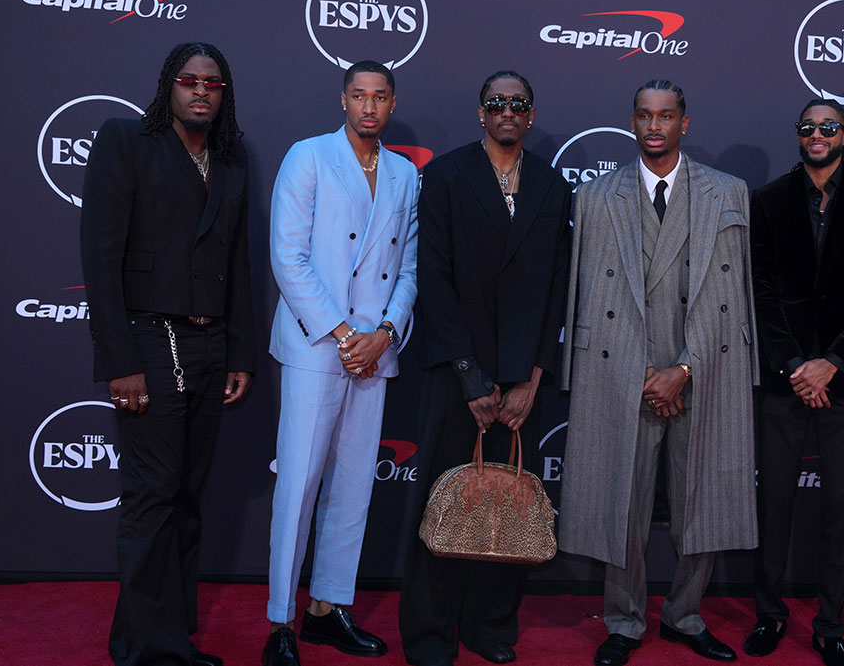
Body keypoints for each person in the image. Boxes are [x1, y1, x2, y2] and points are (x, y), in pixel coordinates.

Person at [559, 79, 758, 666]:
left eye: (665, 116)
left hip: (704, 367)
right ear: (632, 122)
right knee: (622, 499)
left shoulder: (728, 193)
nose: (654, 126)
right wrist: (645, 372)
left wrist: (686, 368)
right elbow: (587, 297)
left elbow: (738, 295)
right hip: (624, 371)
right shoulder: (596, 196)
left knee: (705, 496)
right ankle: (623, 620)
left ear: (684, 123)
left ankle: (685, 614)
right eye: (644, 116)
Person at [80, 41, 254, 666]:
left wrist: (240, 350)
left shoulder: (231, 159)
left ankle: (161, 633)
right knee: (153, 493)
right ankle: (148, 649)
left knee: (185, 493)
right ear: (169, 86)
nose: (201, 90)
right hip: (150, 339)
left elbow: (239, 262)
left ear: (223, 93)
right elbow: (100, 259)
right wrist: (119, 360)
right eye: (189, 80)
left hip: (211, 343)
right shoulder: (126, 140)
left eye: (213, 82)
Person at [397, 70, 572, 666]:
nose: (507, 111)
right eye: (496, 102)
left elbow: (557, 288)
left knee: (511, 507)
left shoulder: (552, 183)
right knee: (446, 503)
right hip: (455, 374)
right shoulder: (444, 175)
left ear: (530, 113)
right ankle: (430, 634)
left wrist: (533, 376)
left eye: (518, 103)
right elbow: (434, 279)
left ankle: (491, 626)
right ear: (481, 113)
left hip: (524, 378)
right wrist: (471, 376)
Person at [263, 60, 419, 666]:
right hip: (316, 345)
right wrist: (342, 332)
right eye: (360, 95)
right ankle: (280, 621)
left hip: (373, 353)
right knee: (299, 485)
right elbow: (287, 255)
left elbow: (407, 269)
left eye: (380, 97)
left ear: (392, 102)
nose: (370, 107)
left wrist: (383, 332)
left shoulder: (406, 174)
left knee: (353, 488)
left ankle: (328, 610)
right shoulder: (307, 157)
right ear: (344, 100)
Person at [744, 99, 844, 666]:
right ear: (798, 135)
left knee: (842, 505)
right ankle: (769, 614)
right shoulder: (767, 200)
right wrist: (794, 366)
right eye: (808, 127)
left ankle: (831, 623)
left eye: (827, 127)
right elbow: (760, 291)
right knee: (774, 501)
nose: (817, 134)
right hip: (785, 377)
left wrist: (831, 361)